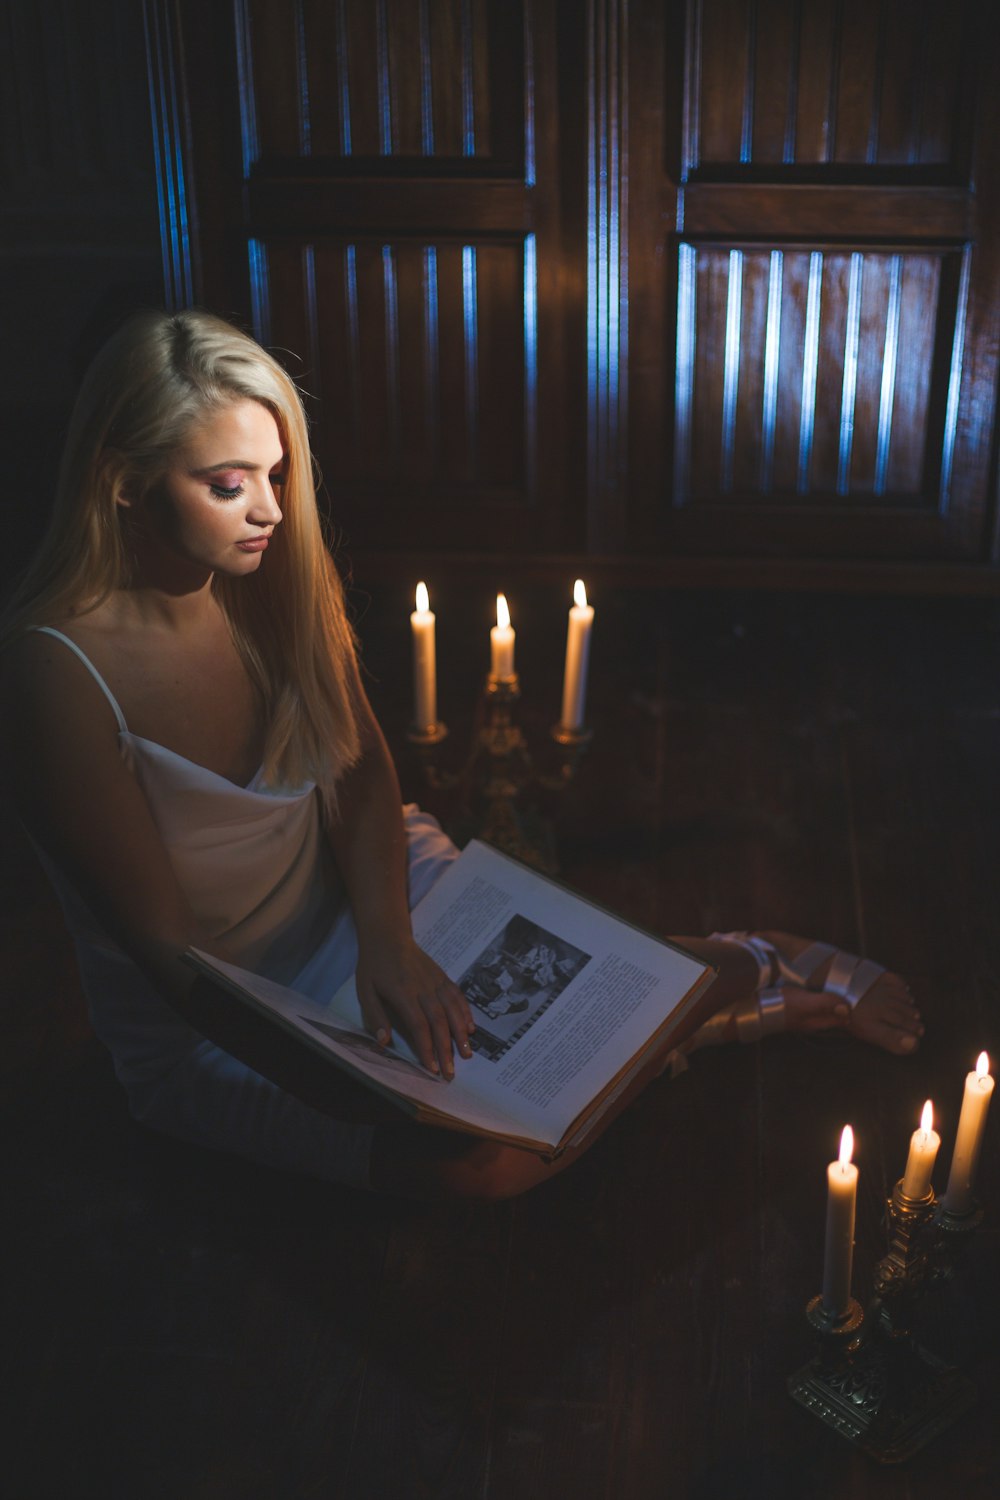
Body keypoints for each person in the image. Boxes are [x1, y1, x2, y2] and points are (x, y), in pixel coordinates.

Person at [0, 310, 924, 1202]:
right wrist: (350, 1079)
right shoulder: (55, 677)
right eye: (230, 483)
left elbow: (361, 778)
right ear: (122, 480)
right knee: (488, 1165)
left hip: (372, 893)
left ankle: (747, 962)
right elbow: (174, 963)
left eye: (279, 475)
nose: (274, 512)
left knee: (638, 988)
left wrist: (390, 944)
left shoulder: (262, 578)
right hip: (229, 1019)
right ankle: (710, 1024)